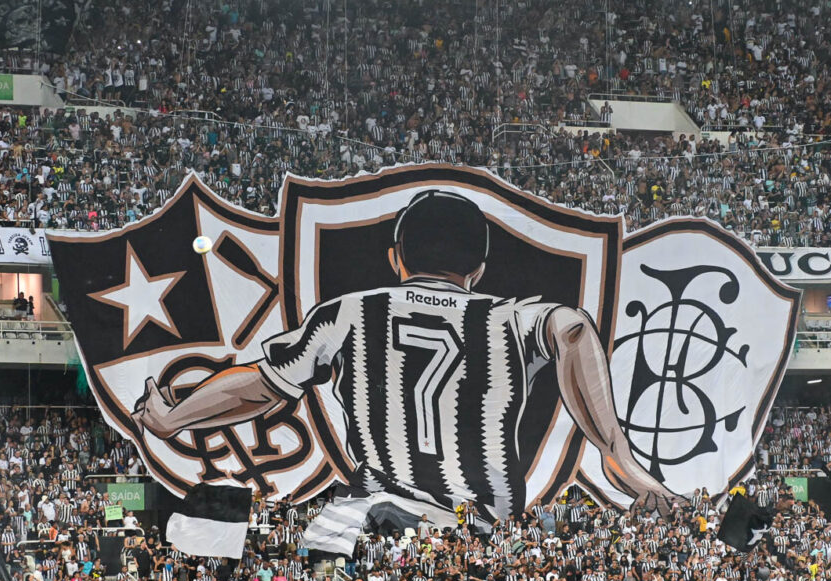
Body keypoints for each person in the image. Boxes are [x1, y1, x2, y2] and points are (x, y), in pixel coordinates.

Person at [134, 190, 681, 548]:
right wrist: (619, 455)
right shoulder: (511, 320)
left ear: (397, 258)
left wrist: (175, 416)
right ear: (479, 270)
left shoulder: (349, 313)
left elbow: (262, 386)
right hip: (478, 537)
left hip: (365, 526)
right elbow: (575, 331)